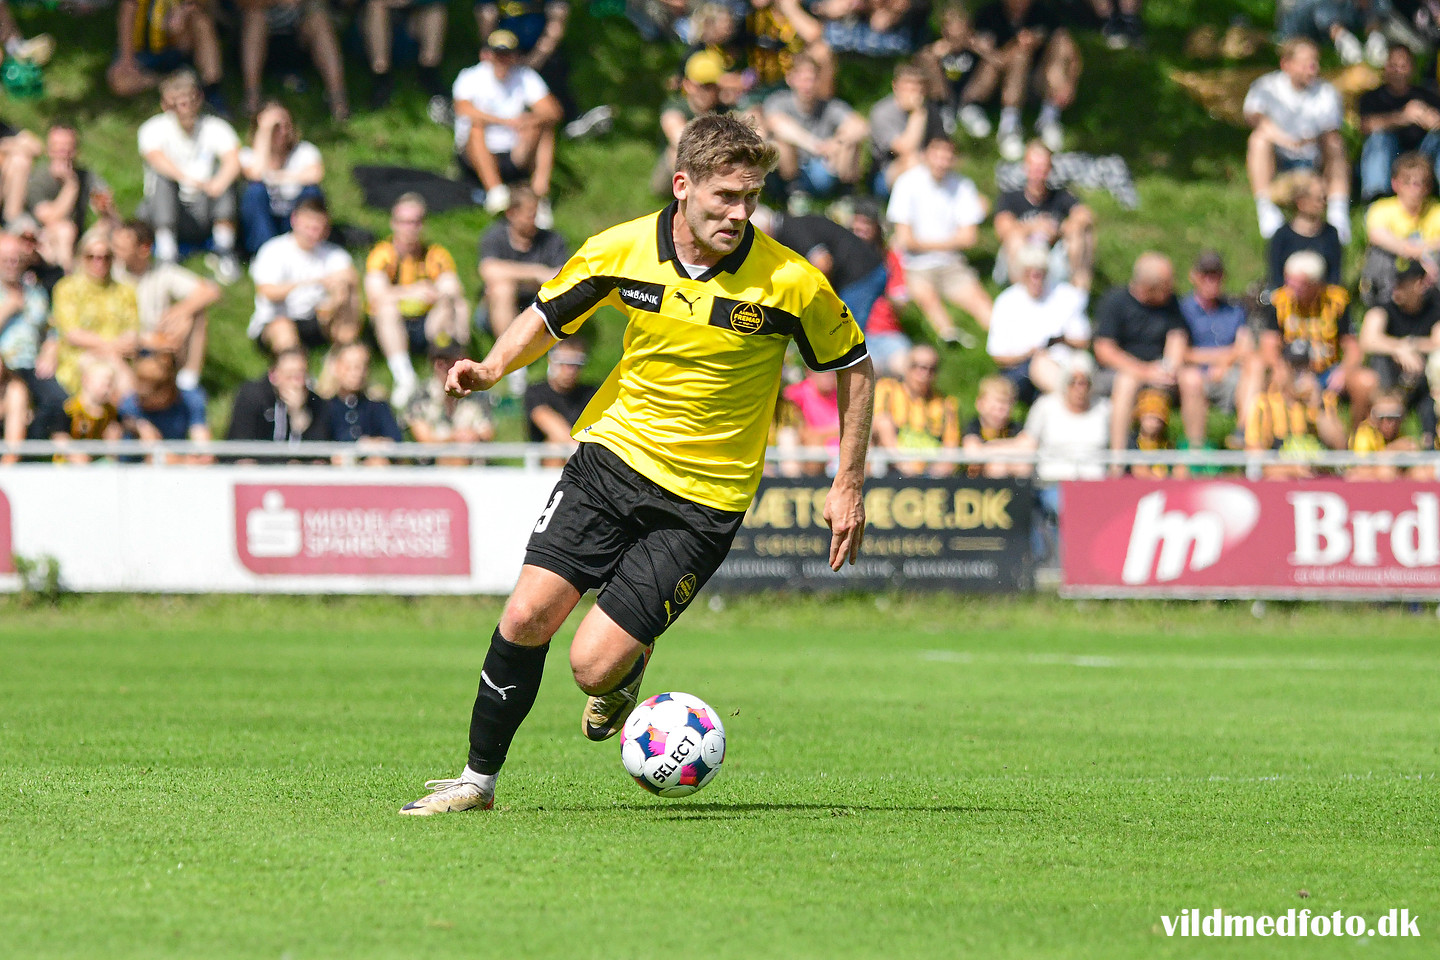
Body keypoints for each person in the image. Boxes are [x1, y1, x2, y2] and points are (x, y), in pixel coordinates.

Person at [399, 113, 872, 816]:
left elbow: (854, 365)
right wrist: (493, 366)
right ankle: (476, 782)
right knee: (526, 616)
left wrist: (848, 481)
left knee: (591, 667)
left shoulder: (790, 282)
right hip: (611, 460)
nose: (739, 213)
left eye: (751, 197)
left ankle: (623, 671)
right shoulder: (621, 249)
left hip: (703, 502)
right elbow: (548, 315)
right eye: (725, 197)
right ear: (682, 186)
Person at [1092, 252, 1206, 456]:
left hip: (1160, 370)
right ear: (1148, 287)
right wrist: (1144, 371)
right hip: (1125, 371)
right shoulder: (1115, 301)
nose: (1172, 287)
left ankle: (1196, 455)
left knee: (1193, 379)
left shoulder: (1170, 303)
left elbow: (1177, 336)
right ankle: (1118, 459)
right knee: (1127, 382)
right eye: (1167, 284)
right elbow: (1104, 350)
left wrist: (1170, 366)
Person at [136, 70, 241, 284]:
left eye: (189, 101)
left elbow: (233, 160)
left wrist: (218, 183)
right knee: (162, 179)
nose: (184, 108)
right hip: (168, 207)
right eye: (177, 103)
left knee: (226, 179)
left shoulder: (216, 127)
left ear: (199, 99)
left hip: (206, 204)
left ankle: (224, 249)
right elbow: (156, 159)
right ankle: (166, 252)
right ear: (165, 104)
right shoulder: (152, 128)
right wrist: (187, 179)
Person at [885, 136, 992, 345]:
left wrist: (922, 242)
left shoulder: (963, 185)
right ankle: (950, 338)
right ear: (925, 155)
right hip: (915, 265)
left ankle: (1007, 341)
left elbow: (970, 238)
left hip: (951, 264)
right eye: (937, 155)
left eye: (947, 157)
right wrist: (950, 241)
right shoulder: (907, 183)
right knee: (929, 301)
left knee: (981, 303)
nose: (942, 162)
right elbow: (905, 240)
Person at [365, 193, 467, 407]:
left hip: (428, 323)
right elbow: (375, 292)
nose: (410, 228)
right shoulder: (383, 254)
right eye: (404, 222)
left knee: (456, 304)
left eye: (415, 222)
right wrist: (411, 291)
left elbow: (453, 286)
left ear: (423, 224)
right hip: (393, 325)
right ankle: (404, 378)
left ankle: (450, 367)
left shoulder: (435, 254)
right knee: (385, 307)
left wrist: (436, 293)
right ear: (394, 223)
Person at [1244, 38, 1350, 241]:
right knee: (1258, 140)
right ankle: (1266, 209)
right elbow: (1253, 117)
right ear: (1286, 64)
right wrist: (1284, 139)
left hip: (1312, 157)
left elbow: (1330, 131)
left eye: (1315, 63)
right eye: (1306, 64)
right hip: (1278, 156)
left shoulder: (1326, 92)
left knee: (1335, 144)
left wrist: (1307, 141)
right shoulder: (1266, 86)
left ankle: (1338, 212)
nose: (1313, 69)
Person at [453, 29, 563, 220]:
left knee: (543, 127)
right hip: (477, 153)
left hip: (515, 151)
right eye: (498, 54)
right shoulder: (470, 77)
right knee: (476, 127)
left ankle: (539, 194)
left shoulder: (526, 77)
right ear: (486, 55)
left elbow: (553, 112)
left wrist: (527, 120)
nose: (502, 60)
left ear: (516, 56)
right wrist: (504, 121)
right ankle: (495, 191)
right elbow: (462, 108)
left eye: (507, 54)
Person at [1262, 250, 1377, 427]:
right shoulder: (1279, 301)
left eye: (1299, 284)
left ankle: (1358, 434)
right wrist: (1280, 367)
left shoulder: (1336, 301)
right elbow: (1269, 345)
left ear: (1315, 283)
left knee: (1366, 381)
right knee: (1277, 381)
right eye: (1289, 281)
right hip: (1293, 370)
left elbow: (1352, 347)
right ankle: (1285, 432)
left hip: (1327, 370)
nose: (1292, 288)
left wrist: (1344, 370)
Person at [959, 0, 1083, 160]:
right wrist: (1017, 45)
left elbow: (1069, 48)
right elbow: (993, 57)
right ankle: (1008, 126)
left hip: (1035, 81)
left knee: (1058, 46)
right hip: (996, 80)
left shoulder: (1044, 13)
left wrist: (1071, 83)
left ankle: (1049, 117)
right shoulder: (989, 15)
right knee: (1020, 55)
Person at [111, 219, 220, 396]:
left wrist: (180, 311)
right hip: (126, 342)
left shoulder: (161, 272)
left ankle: (188, 380)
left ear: (144, 249)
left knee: (195, 313)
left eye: (122, 248)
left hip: (160, 340)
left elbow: (211, 291)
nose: (115, 251)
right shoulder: (112, 272)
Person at [247, 197, 360, 353]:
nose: (313, 233)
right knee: (283, 327)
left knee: (346, 290)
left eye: (318, 228)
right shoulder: (273, 250)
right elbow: (267, 292)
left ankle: (346, 350)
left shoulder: (333, 253)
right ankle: (290, 364)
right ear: (294, 220)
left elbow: (351, 276)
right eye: (308, 227)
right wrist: (312, 283)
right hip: (277, 320)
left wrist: (335, 297)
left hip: (317, 318)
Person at [752, 206, 887, 330]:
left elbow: (823, 263)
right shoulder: (790, 224)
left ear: (764, 232)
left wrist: (822, 299)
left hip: (861, 275)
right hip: (862, 271)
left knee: (848, 334)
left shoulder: (790, 230)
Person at [985, 242, 1090, 402]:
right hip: (1022, 368)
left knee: (1081, 365)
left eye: (1040, 274)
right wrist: (1029, 353)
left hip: (1065, 362)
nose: (1036, 280)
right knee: (1041, 363)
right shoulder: (1006, 302)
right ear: (1021, 274)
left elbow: (1084, 340)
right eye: (1030, 274)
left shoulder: (1066, 295)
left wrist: (1061, 340)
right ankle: (1071, 402)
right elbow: (998, 355)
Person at [477, 184, 569, 364]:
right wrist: (535, 273)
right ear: (511, 213)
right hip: (493, 311)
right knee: (502, 289)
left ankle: (556, 356)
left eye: (536, 214)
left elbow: (562, 276)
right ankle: (510, 359)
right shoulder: (495, 236)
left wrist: (513, 275)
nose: (535, 220)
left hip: (538, 306)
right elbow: (488, 270)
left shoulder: (552, 240)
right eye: (530, 215)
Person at [763, 53, 869, 203]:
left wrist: (836, 142)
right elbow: (776, 124)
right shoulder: (779, 101)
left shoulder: (830, 106)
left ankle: (846, 195)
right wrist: (814, 145)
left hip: (821, 168)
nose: (808, 85)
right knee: (781, 142)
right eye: (803, 79)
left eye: (812, 79)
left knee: (850, 142)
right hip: (788, 170)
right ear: (790, 79)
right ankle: (793, 194)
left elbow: (861, 127)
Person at [50, 230, 141, 400]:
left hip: (120, 358)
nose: (99, 262)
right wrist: (112, 349)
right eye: (92, 257)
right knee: (103, 377)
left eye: (106, 257)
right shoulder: (67, 288)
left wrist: (115, 350)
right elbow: (73, 334)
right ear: (81, 258)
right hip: (81, 356)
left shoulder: (125, 290)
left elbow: (132, 332)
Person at [992, 139, 1094, 289]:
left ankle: (1079, 292)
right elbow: (1002, 229)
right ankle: (1022, 294)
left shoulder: (1060, 195)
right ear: (1025, 167)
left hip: (1053, 256)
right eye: (1034, 167)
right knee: (1015, 238)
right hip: (1022, 257)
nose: (1038, 174)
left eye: (1043, 168)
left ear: (1049, 169)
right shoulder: (1011, 197)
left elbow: (1085, 215)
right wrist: (1034, 227)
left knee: (1082, 233)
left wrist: (1061, 228)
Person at [1358, 258, 1440, 443]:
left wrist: (1411, 345)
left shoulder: (1434, 307)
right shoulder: (1384, 307)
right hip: (1388, 382)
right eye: (1395, 281)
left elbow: (1438, 342)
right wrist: (1398, 348)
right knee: (1378, 362)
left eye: (1402, 282)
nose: (1396, 287)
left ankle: (1430, 440)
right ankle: (1372, 439)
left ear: (1419, 283)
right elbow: (1367, 339)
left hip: (1423, 382)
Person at [0, 232, 63, 458]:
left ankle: (31, 456)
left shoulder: (35, 292)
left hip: (31, 365)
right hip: (4, 368)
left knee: (58, 400)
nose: (12, 264)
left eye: (16, 259)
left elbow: (51, 330)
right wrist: (8, 308)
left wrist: (50, 350)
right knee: (17, 395)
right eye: (6, 259)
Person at [238, 101, 325, 256]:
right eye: (276, 127)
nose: (283, 132)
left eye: (286, 125)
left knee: (312, 191)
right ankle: (264, 254)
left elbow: (315, 175)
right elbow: (257, 174)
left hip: (293, 216)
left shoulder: (304, 151)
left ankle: (305, 249)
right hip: (265, 220)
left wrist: (275, 177)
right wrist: (265, 131)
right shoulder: (248, 155)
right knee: (255, 191)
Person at [1242, 346, 1344, 478]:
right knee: (1278, 479)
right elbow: (1255, 462)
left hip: (1319, 479)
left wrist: (1316, 408)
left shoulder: (1324, 401)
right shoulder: (1265, 404)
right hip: (1283, 479)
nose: (1299, 373)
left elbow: (1340, 447)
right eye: (1294, 367)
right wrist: (1290, 469)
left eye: (1303, 367)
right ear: (1281, 368)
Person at [237, 0, 349, 120]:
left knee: (319, 20)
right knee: (254, 18)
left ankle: (337, 97)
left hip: (300, 34)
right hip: (261, 35)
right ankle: (252, 96)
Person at [1179, 250, 1255, 420]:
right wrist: (1225, 355)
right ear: (1193, 276)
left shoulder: (1235, 310)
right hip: (1194, 374)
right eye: (1205, 275)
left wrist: (1224, 363)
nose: (1211, 281)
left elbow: (1245, 348)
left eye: (1216, 275)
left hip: (1229, 371)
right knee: (1191, 380)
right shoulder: (1181, 309)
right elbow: (1182, 353)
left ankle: (1245, 429)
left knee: (1252, 370)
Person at [1358, 44, 1440, 202]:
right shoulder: (1372, 97)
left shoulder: (1427, 96)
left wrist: (1433, 120)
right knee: (1379, 138)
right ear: (1385, 68)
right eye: (1393, 66)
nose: (1398, 71)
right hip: (1389, 156)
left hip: (1423, 155)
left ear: (1412, 69)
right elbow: (1366, 126)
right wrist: (1403, 117)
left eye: (1403, 66)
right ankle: (1376, 199)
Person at [1360, 151, 1440, 308]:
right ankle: (1383, 304)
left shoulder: (1436, 210)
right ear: (1395, 184)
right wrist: (1418, 253)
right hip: (1392, 279)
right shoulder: (1381, 208)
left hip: (1428, 282)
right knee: (1380, 255)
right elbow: (1377, 236)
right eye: (1407, 182)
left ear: (1429, 187)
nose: (1415, 189)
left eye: (1420, 183)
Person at [107, 0, 223, 106]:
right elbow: (126, 16)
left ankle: (211, 87)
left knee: (202, 23)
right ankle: (171, 81)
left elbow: (204, 6)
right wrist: (127, 60)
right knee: (120, 82)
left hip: (176, 46)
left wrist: (183, 12)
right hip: (143, 52)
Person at [872, 344, 961, 475]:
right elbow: (875, 424)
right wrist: (906, 467)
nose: (925, 374)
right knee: (883, 422)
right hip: (893, 468)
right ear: (906, 367)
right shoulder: (887, 390)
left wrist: (938, 471)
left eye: (931, 369)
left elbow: (951, 447)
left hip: (931, 474)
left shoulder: (946, 403)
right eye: (919, 367)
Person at [654, 51, 730, 195]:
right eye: (703, 85)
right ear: (688, 85)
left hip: (713, 166)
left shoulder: (723, 110)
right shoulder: (675, 107)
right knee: (676, 153)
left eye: (713, 86)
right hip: (672, 173)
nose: (709, 92)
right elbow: (681, 140)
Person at [404, 341, 495, 460]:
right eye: (435, 359)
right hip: (433, 464)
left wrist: (472, 436)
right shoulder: (420, 395)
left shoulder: (478, 394)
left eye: (447, 359)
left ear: (462, 361)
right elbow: (424, 440)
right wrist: (455, 438)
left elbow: (488, 432)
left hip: (472, 461)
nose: (440, 364)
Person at [867, 60, 946, 196]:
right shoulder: (882, 112)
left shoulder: (932, 111)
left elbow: (942, 146)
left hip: (925, 164)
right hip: (885, 174)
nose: (914, 94)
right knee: (912, 162)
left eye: (918, 88)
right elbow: (906, 149)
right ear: (895, 87)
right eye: (908, 88)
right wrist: (917, 113)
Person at [226, 346, 331, 443]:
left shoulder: (316, 404)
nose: (297, 384)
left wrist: (298, 414)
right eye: (290, 376)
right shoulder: (253, 396)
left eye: (301, 376)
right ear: (274, 375)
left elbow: (319, 446)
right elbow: (240, 439)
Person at [362, 0, 450, 112]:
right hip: (374, 26)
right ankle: (381, 78)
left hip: (411, 24)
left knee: (434, 7)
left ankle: (429, 73)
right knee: (376, 7)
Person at [118, 348, 212, 452]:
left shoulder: (189, 401)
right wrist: (139, 426)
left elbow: (201, 440)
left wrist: (200, 451)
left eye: (147, 396)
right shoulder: (130, 404)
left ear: (167, 389)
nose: (141, 399)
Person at [1266, 169, 1344, 290]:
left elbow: (1335, 278)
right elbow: (1276, 279)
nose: (1324, 203)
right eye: (1318, 199)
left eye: (1325, 197)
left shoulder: (1330, 233)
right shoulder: (1281, 236)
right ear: (1301, 202)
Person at [524, 336, 595, 465]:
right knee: (555, 447)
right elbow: (545, 419)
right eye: (563, 363)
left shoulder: (590, 394)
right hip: (546, 464)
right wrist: (577, 452)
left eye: (576, 364)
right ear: (550, 361)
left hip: (580, 456)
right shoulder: (536, 392)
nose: (570, 370)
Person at [326, 343, 403, 445]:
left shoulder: (377, 406)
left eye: (363, 367)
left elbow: (395, 440)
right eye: (349, 366)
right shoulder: (325, 407)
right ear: (335, 367)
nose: (357, 373)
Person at [961, 373, 1033, 478]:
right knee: (997, 467)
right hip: (976, 483)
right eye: (995, 407)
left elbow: (1028, 447)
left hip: (1008, 478)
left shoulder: (1014, 427)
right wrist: (1010, 448)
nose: (1000, 413)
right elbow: (972, 452)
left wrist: (988, 448)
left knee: (1022, 466)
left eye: (1006, 406)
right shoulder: (974, 426)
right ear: (980, 404)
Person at [52, 359, 122, 463]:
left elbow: (113, 440)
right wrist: (74, 454)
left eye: (109, 385)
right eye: (102, 384)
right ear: (85, 380)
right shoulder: (69, 409)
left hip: (96, 463)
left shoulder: (110, 412)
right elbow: (60, 439)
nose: (106, 389)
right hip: (69, 464)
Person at [1349, 389, 1418, 479]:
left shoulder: (1402, 433)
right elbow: (1359, 470)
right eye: (1381, 416)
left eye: (1394, 416)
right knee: (1385, 472)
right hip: (1370, 480)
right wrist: (1392, 450)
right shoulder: (1365, 433)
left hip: (1395, 477)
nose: (1388, 422)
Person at [1128, 387, 1177, 478]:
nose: (1153, 424)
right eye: (1149, 418)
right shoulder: (1132, 443)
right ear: (1140, 418)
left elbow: (1177, 469)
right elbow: (1138, 470)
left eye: (1158, 420)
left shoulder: (1167, 445)